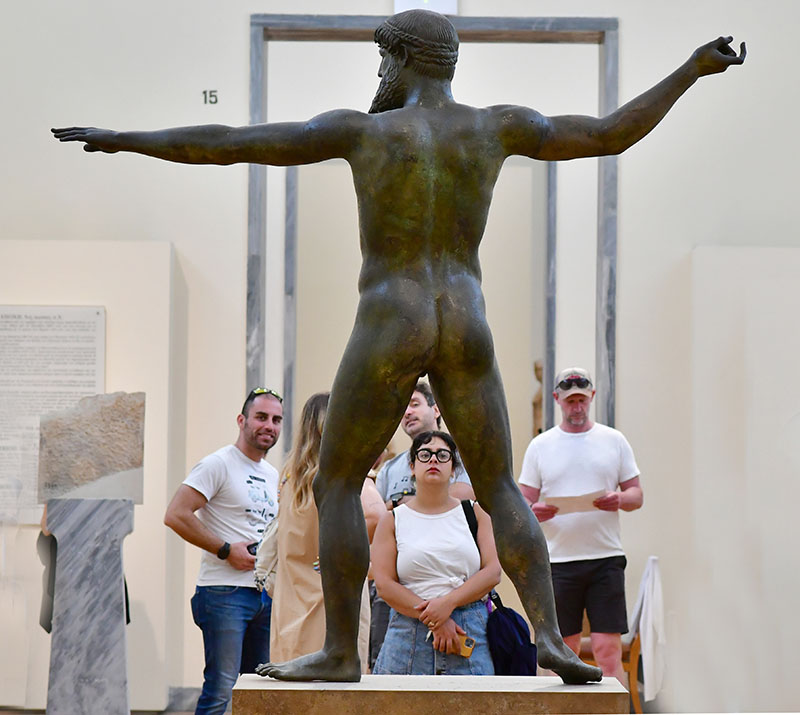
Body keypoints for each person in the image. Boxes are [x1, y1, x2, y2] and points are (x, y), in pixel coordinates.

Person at [52, 9, 744, 684]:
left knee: (335, 478)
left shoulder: (366, 132)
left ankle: (338, 653)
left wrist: (128, 138)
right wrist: (692, 68)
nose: (379, 71)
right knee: (500, 484)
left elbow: (234, 139)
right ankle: (548, 640)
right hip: (465, 316)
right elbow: (609, 133)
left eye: (385, 56)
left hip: (391, 315)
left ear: (408, 57)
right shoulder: (494, 126)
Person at [518, 368, 643, 685]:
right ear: (557, 399)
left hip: (604, 556)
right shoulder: (541, 446)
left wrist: (619, 499)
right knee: (563, 648)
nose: (577, 407)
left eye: (582, 400)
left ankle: (614, 709)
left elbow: (636, 494)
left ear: (592, 398)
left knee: (607, 647)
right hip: (559, 560)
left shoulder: (613, 440)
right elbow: (521, 504)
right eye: (571, 400)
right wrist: (536, 511)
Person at [163, 387, 282, 714]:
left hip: (264, 596)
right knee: (221, 689)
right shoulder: (217, 464)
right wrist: (225, 549)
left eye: (276, 420)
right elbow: (175, 514)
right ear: (242, 420)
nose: (268, 425)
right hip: (224, 593)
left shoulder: (273, 474)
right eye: (261, 417)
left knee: (258, 691)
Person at [269, 392, 384, 669]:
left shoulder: (288, 475)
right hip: (334, 595)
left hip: (291, 595)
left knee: (291, 680)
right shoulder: (342, 475)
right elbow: (376, 514)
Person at [371, 430, 500, 675]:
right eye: (425, 454)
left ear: (453, 469)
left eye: (442, 455)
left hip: (468, 630)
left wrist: (446, 605)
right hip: (407, 635)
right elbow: (385, 584)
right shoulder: (392, 520)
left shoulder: (475, 513)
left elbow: (493, 572)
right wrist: (434, 619)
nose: (433, 460)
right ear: (412, 466)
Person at [375, 380, 474, 508]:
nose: (407, 413)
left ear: (436, 410)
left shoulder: (463, 456)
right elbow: (378, 516)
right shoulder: (388, 470)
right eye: (403, 409)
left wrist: (397, 502)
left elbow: (461, 498)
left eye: (415, 404)